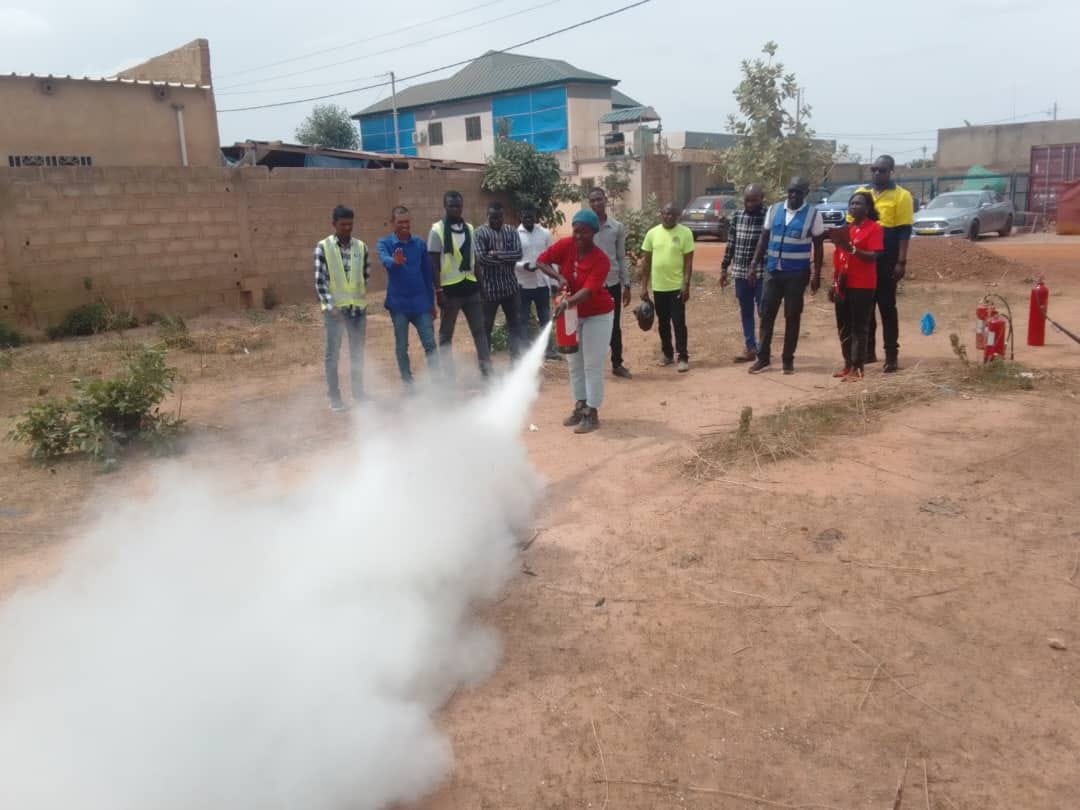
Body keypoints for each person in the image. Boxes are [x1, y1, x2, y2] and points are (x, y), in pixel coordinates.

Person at [534, 209, 615, 434]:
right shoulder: (566, 245)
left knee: (591, 364)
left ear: (593, 233)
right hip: (573, 314)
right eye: (576, 231)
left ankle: (592, 412)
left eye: (584, 232)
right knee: (574, 363)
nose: (578, 236)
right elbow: (541, 261)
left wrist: (567, 303)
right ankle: (580, 406)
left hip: (598, 314)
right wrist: (559, 277)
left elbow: (588, 292)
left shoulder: (601, 260)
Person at [748, 177, 825, 375]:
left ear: (805, 193)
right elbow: (763, 239)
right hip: (773, 272)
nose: (793, 195)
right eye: (791, 191)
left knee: (792, 317)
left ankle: (787, 360)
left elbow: (818, 245)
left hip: (796, 275)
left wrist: (816, 273)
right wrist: (754, 264)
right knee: (766, 315)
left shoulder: (813, 215)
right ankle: (763, 358)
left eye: (798, 192)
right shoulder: (774, 211)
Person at [857, 155, 914, 372]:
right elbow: (853, 225)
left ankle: (891, 355)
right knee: (866, 306)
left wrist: (901, 262)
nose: (877, 174)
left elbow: (904, 232)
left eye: (882, 170)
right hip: (864, 259)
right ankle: (868, 351)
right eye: (874, 169)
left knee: (887, 307)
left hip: (888, 259)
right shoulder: (863, 194)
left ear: (891, 171)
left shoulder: (902, 196)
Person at [428, 191, 491, 378]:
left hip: (470, 288)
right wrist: (438, 291)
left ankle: (486, 369)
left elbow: (475, 259)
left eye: (458, 205)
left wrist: (482, 286)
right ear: (445, 206)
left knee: (479, 330)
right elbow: (433, 264)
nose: (455, 208)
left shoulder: (470, 229)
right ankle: (448, 374)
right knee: (446, 334)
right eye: (451, 205)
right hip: (450, 292)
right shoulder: (437, 231)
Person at [314, 204, 369, 412]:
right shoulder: (323, 247)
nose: (347, 228)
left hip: (357, 311)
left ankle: (359, 393)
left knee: (357, 354)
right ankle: (335, 398)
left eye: (350, 224)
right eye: (343, 224)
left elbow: (365, 275)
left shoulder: (361, 247)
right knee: (333, 355)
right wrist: (330, 306)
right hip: (334, 313)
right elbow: (320, 281)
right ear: (334, 225)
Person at [378, 205, 438, 387]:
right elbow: (384, 259)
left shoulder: (419, 244)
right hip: (399, 305)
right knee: (402, 346)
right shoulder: (385, 243)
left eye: (407, 222)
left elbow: (427, 274)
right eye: (400, 222)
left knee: (430, 344)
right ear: (392, 223)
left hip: (421, 304)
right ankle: (408, 383)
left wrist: (432, 302)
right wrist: (394, 262)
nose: (405, 225)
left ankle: (437, 383)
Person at [829, 192, 884, 381]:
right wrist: (834, 283)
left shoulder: (874, 229)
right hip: (844, 283)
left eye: (858, 204)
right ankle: (847, 365)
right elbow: (838, 258)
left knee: (858, 327)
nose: (854, 207)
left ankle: (858, 368)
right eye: (851, 203)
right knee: (843, 326)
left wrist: (852, 248)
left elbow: (874, 255)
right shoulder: (846, 229)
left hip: (862, 285)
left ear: (868, 208)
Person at [640, 203, 695, 372]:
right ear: (660, 214)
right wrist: (643, 287)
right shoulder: (652, 234)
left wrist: (686, 285)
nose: (668, 216)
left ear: (678, 215)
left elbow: (688, 262)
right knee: (663, 323)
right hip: (659, 288)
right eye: (665, 213)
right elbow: (646, 262)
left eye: (672, 214)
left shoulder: (685, 233)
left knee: (678, 322)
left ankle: (683, 357)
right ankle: (668, 354)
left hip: (676, 287)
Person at [587, 188, 632, 378]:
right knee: (589, 326)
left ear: (605, 199)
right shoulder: (585, 227)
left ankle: (617, 364)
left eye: (599, 199)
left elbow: (621, 257)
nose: (597, 203)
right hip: (589, 285)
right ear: (590, 204)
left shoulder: (617, 227)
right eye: (593, 200)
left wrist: (627, 284)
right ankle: (592, 366)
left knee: (614, 325)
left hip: (612, 283)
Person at [721, 184, 767, 363]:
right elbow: (731, 244)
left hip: (761, 273)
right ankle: (750, 347)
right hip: (740, 272)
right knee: (746, 311)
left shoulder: (767, 217)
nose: (750, 203)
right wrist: (724, 268)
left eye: (754, 200)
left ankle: (764, 348)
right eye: (747, 200)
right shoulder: (737, 216)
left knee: (764, 311)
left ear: (761, 198)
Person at [475, 201, 524, 360]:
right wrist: (506, 257)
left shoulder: (511, 231)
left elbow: (518, 255)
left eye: (499, 217)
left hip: (510, 288)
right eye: (493, 217)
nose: (496, 220)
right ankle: (485, 364)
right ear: (487, 216)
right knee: (485, 327)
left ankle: (515, 360)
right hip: (489, 291)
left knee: (515, 325)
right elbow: (482, 259)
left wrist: (496, 254)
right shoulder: (480, 233)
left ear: (503, 216)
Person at [515, 204, 557, 359]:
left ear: (535, 217)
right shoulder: (515, 235)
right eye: (525, 216)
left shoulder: (545, 233)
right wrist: (523, 266)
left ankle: (549, 350)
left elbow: (552, 258)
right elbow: (512, 260)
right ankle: (525, 352)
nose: (528, 219)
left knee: (545, 318)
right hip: (523, 284)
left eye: (531, 216)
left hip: (542, 283)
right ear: (520, 216)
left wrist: (554, 282)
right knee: (523, 319)